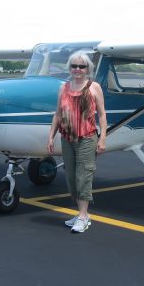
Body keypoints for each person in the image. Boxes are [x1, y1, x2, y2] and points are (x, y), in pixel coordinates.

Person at [47, 52, 107, 233]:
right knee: (71, 179)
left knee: (83, 177)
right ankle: (81, 214)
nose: (78, 69)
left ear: (88, 69)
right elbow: (58, 114)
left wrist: (102, 138)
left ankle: (83, 216)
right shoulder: (63, 88)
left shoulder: (94, 87)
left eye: (82, 66)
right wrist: (51, 136)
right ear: (69, 68)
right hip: (67, 138)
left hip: (87, 138)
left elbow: (102, 115)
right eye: (74, 66)